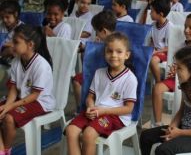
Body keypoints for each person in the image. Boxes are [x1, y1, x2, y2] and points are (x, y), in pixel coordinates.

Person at [141, 46, 191, 155]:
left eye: (179, 68)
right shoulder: (186, 86)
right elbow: (181, 111)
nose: (175, 71)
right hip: (182, 129)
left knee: (163, 150)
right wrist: (172, 127)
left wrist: (179, 133)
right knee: (145, 136)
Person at [65, 32, 137, 155]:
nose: (113, 55)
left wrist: (103, 111)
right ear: (105, 53)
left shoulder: (130, 78)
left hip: (115, 116)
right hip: (96, 111)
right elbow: (90, 97)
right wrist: (90, 106)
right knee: (70, 130)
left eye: (119, 52)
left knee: (88, 134)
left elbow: (128, 109)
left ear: (127, 55)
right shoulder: (99, 73)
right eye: (109, 51)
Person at [0, 24, 54, 155]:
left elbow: (34, 95)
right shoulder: (17, 61)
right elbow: (13, 89)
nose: (12, 45)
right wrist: (7, 105)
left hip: (39, 102)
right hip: (20, 98)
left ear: (30, 45)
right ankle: (2, 151)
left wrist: (10, 107)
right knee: (3, 111)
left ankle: (6, 150)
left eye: (16, 42)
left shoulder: (41, 65)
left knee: (8, 118)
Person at [151, 13, 191, 127]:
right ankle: (157, 123)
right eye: (185, 27)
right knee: (157, 88)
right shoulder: (181, 45)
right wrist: (174, 69)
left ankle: (182, 124)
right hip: (177, 79)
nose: (186, 30)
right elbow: (175, 62)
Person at [72, 10, 117, 112]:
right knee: (77, 79)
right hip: (100, 73)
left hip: (109, 76)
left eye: (96, 31)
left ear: (104, 32)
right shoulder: (112, 40)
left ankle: (82, 108)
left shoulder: (113, 44)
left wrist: (95, 48)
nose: (96, 34)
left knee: (78, 81)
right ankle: (81, 107)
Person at [149, 0, 172, 83]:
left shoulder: (169, 27)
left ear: (161, 14)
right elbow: (151, 41)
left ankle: (158, 82)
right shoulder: (152, 25)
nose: (150, 14)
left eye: (152, 11)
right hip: (155, 51)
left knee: (153, 60)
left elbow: (169, 48)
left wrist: (155, 52)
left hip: (165, 53)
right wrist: (151, 49)